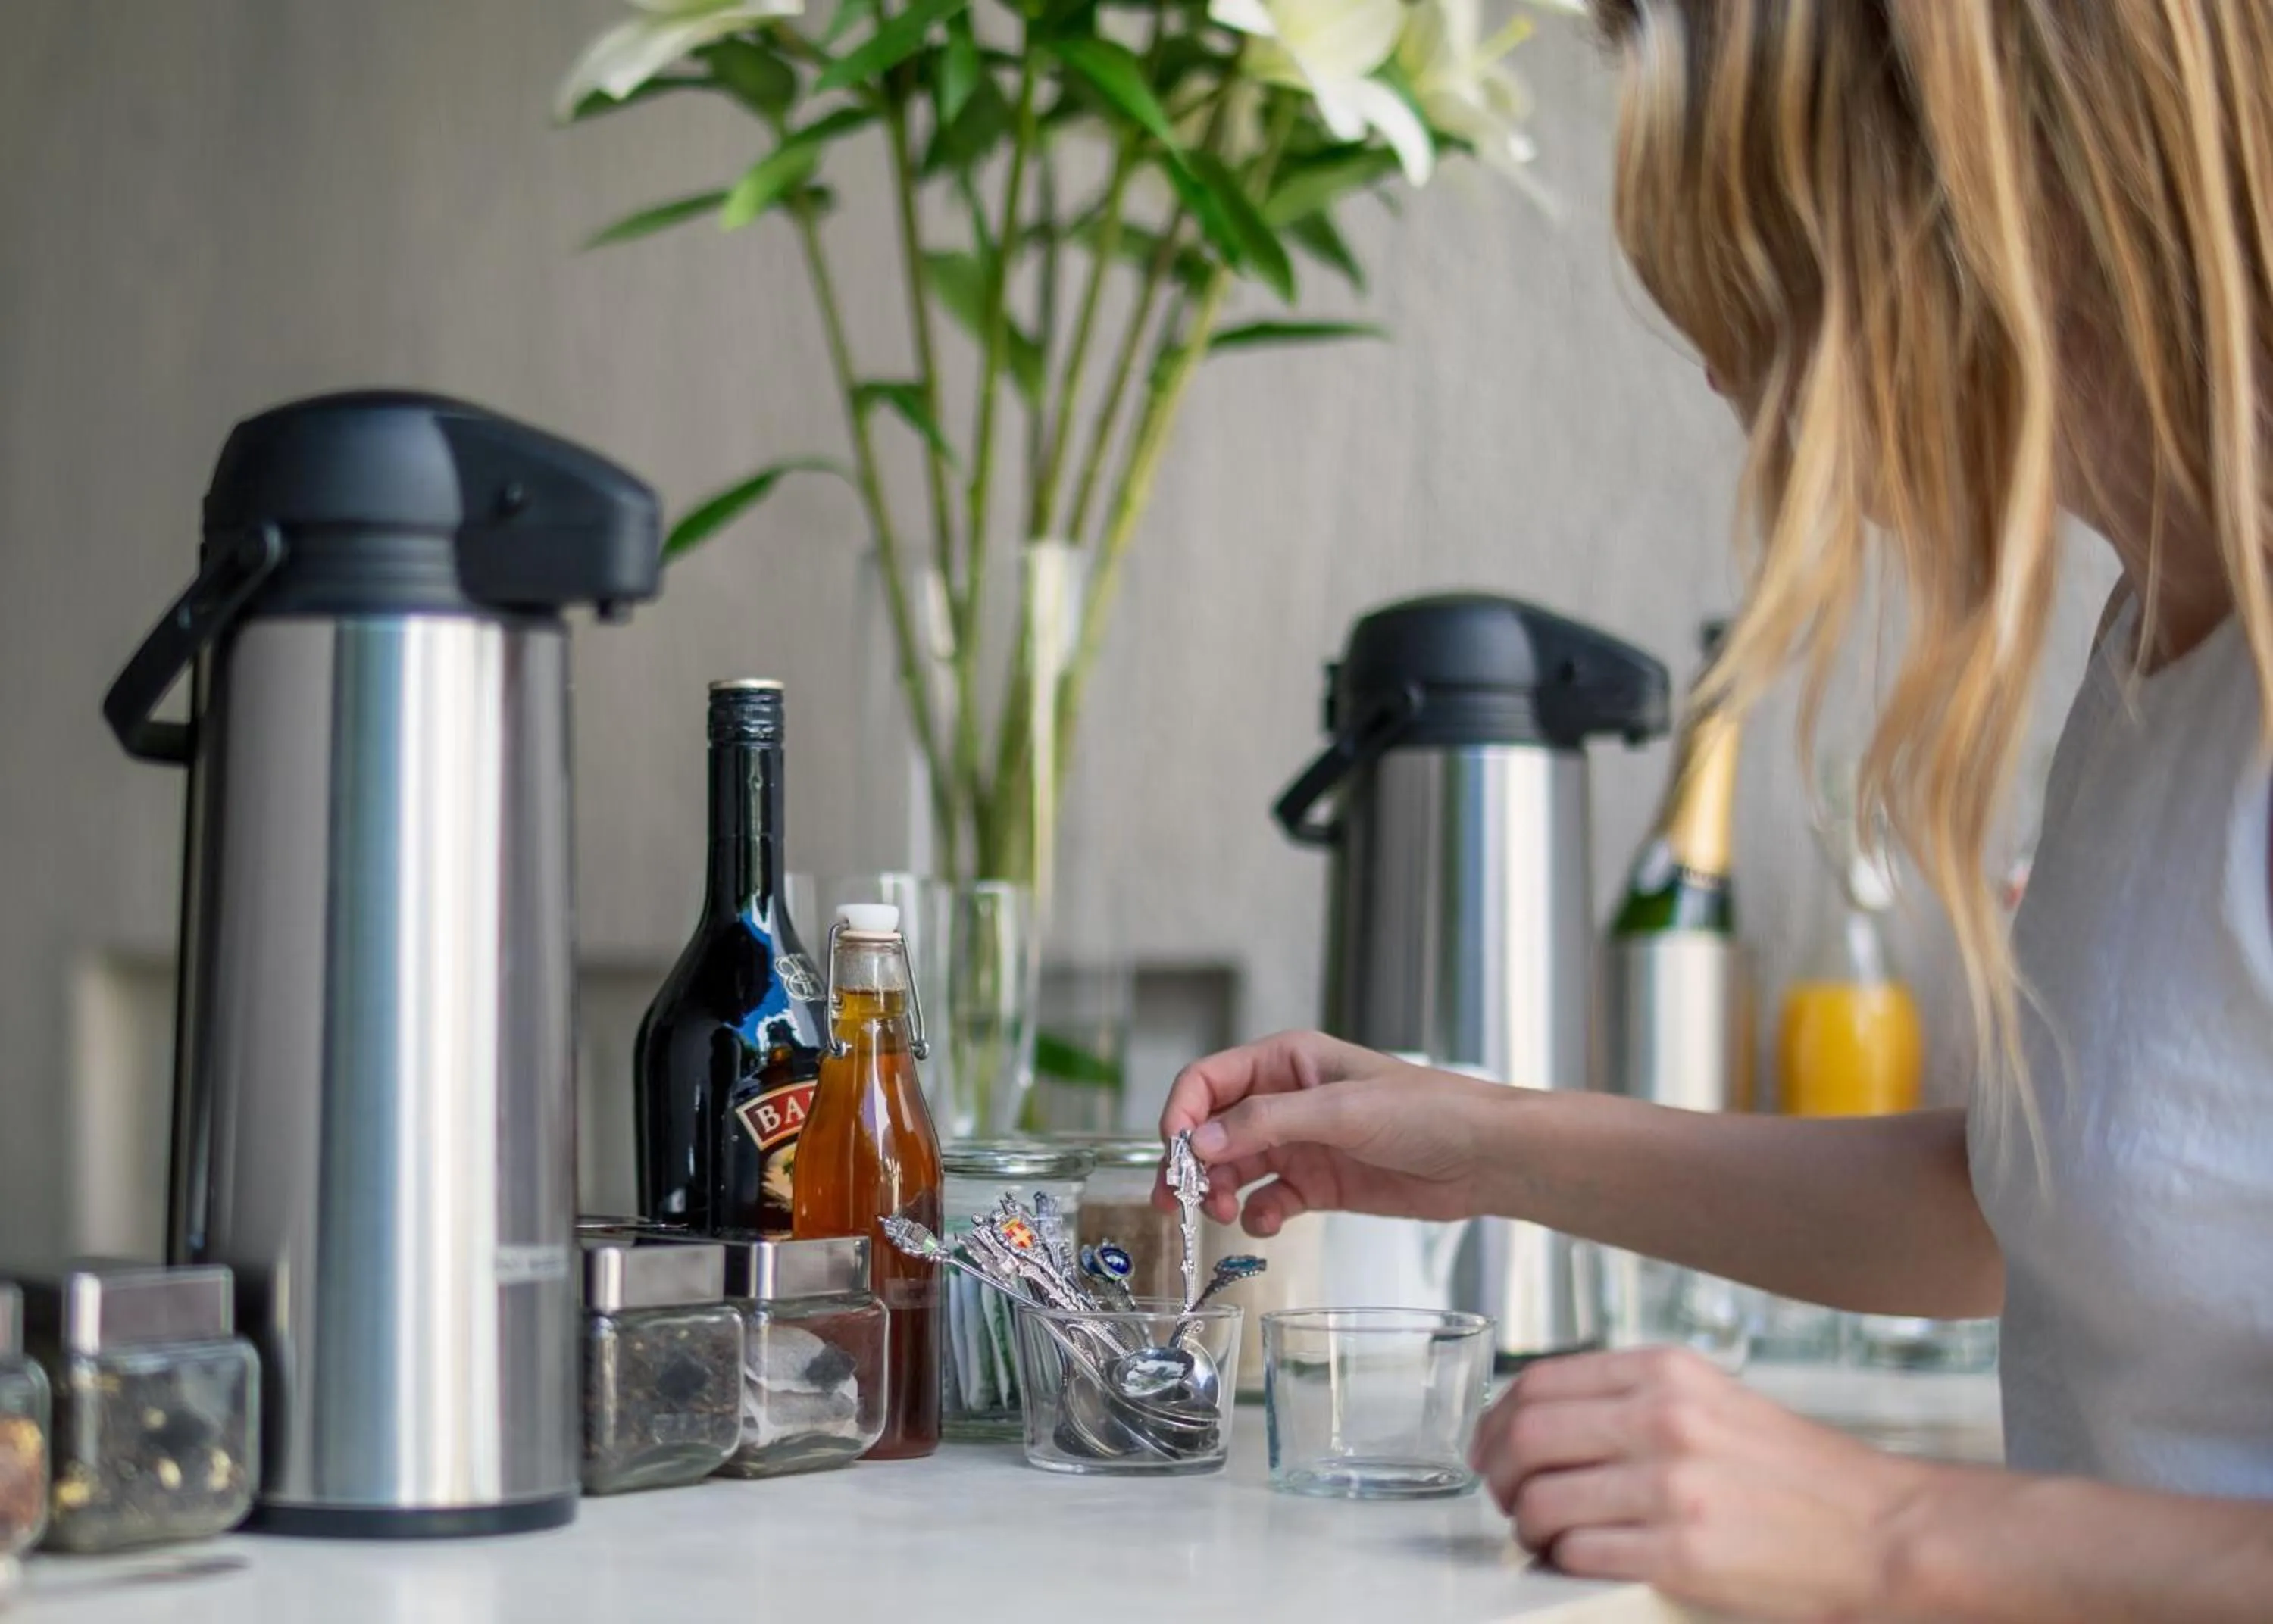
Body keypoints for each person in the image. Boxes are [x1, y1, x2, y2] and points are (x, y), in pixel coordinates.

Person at [1158, 2, 2273, 1618]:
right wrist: (1482, 1138)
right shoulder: (2159, 637)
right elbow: (2042, 1204)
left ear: (1988, 216)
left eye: (1763, 275)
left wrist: (1886, 1532)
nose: (1713, 364)